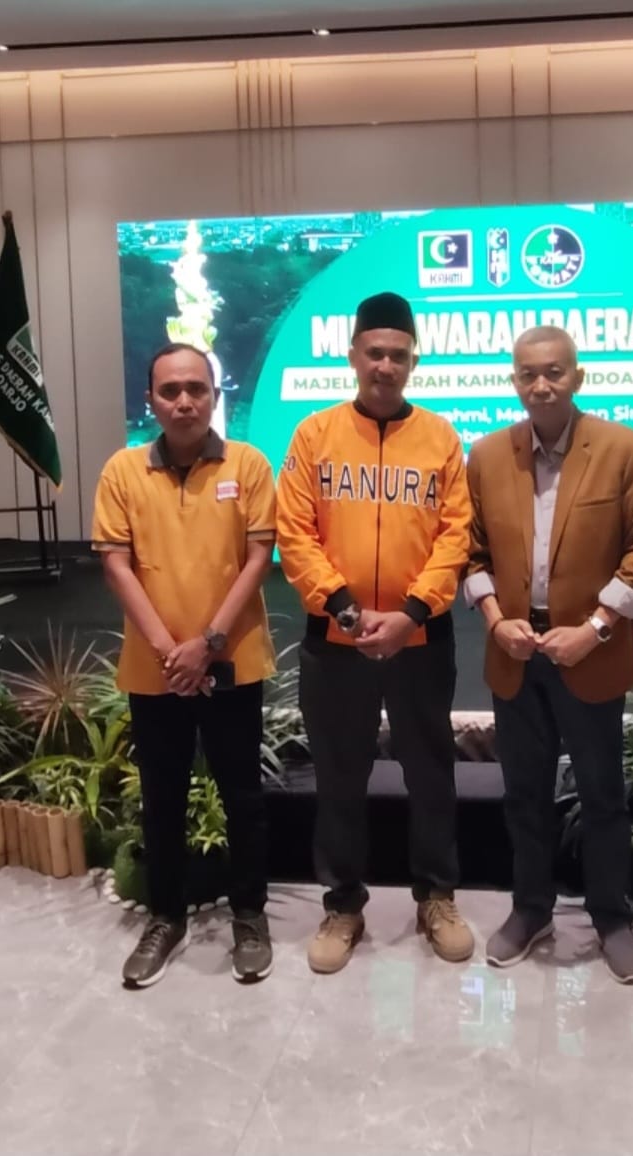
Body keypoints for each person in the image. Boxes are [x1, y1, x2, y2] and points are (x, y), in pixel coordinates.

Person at [275, 291, 474, 975]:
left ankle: (437, 898)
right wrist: (347, 611)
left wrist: (411, 613)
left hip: (421, 640)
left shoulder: (441, 438)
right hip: (338, 642)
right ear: (353, 356)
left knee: (432, 774)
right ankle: (342, 905)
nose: (385, 365)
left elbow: (455, 536)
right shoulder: (314, 435)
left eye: (398, 355)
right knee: (339, 777)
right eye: (375, 353)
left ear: (414, 361)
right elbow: (295, 534)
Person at [464, 326, 633, 984]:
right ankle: (531, 909)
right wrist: (496, 621)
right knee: (523, 795)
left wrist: (597, 628)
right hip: (516, 652)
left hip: (592, 651)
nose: (541, 385)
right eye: (528, 374)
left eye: (554, 372)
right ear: (514, 381)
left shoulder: (624, 448)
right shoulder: (487, 455)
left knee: (603, 795)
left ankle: (611, 917)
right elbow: (471, 552)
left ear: (578, 375)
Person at [92, 342, 276, 989]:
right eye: (170, 390)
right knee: (162, 798)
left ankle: (250, 915)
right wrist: (173, 652)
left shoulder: (248, 464)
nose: (184, 401)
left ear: (214, 396)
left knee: (243, 796)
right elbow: (117, 565)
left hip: (232, 662)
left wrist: (209, 642)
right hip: (157, 670)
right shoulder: (122, 470)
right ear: (151, 400)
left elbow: (258, 559)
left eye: (196, 388)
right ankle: (165, 916)